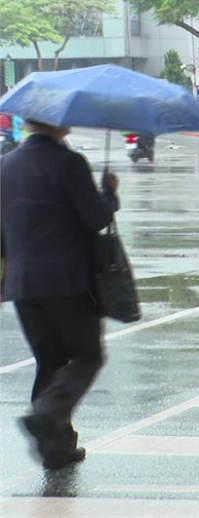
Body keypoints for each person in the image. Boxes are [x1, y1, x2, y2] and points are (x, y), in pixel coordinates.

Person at [1, 119, 120, 470]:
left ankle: (56, 449)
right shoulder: (70, 163)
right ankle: (46, 415)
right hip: (66, 282)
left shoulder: (5, 164)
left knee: (50, 361)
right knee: (87, 356)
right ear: (59, 124)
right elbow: (96, 217)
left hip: (22, 284)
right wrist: (109, 193)